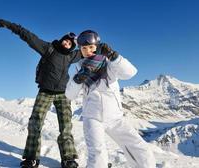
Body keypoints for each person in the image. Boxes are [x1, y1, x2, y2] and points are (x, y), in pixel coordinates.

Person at [0, 19, 81, 168]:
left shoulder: (71, 56)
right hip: (45, 92)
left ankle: (68, 159)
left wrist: (104, 50)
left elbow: (89, 49)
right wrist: (10, 25)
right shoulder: (48, 48)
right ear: (62, 40)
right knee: (35, 123)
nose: (67, 44)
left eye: (70, 44)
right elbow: (28, 36)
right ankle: (31, 159)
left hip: (63, 94)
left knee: (66, 126)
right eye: (65, 41)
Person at [65, 30, 156, 168]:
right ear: (80, 50)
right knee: (98, 154)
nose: (88, 51)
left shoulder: (109, 64)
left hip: (115, 117)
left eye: (91, 47)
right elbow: (70, 95)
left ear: (97, 46)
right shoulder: (79, 69)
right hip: (93, 118)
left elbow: (130, 73)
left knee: (140, 148)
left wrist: (114, 57)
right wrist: (78, 80)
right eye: (84, 48)